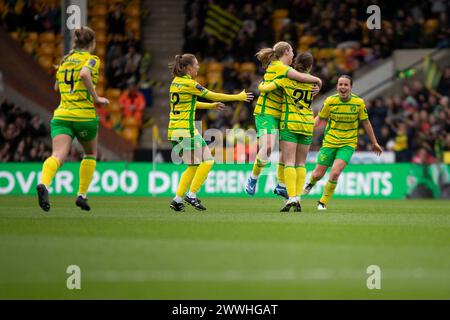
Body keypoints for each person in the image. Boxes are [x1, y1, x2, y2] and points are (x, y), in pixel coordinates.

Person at [168, 54, 254, 212]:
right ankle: (192, 195)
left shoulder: (175, 83)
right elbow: (212, 94)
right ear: (188, 68)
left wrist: (211, 106)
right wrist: (238, 97)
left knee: (193, 165)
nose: (199, 67)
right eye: (196, 65)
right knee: (208, 160)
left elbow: (190, 104)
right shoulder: (190, 84)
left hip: (173, 131)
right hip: (186, 130)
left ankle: (177, 199)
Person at [36, 26, 109, 212]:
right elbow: (84, 74)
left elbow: (56, 87)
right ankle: (81, 195)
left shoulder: (65, 60)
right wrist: (96, 98)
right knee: (90, 154)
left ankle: (44, 183)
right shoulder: (92, 59)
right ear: (92, 43)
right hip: (84, 115)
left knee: (57, 155)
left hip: (62, 115)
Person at [245, 41, 321, 198]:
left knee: (287, 151)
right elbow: (301, 76)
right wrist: (318, 81)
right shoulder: (281, 68)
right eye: (292, 51)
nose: (293, 54)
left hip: (282, 115)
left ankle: (281, 185)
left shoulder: (283, 69)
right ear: (286, 52)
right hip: (266, 113)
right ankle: (253, 177)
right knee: (267, 146)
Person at [303, 75, 383, 210]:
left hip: (348, 144)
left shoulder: (358, 103)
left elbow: (366, 123)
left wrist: (374, 142)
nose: (343, 87)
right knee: (317, 175)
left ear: (351, 87)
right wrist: (307, 129)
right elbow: (320, 118)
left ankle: (322, 202)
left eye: (346, 85)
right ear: (337, 87)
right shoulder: (330, 101)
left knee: (335, 172)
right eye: (341, 84)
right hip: (329, 142)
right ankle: (310, 183)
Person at [258, 52, 317, 212]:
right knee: (301, 163)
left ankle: (291, 197)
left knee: (289, 162)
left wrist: (261, 84)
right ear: (310, 66)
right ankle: (297, 197)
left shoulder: (287, 79)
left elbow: (265, 88)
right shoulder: (313, 84)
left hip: (290, 123)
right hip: (306, 123)